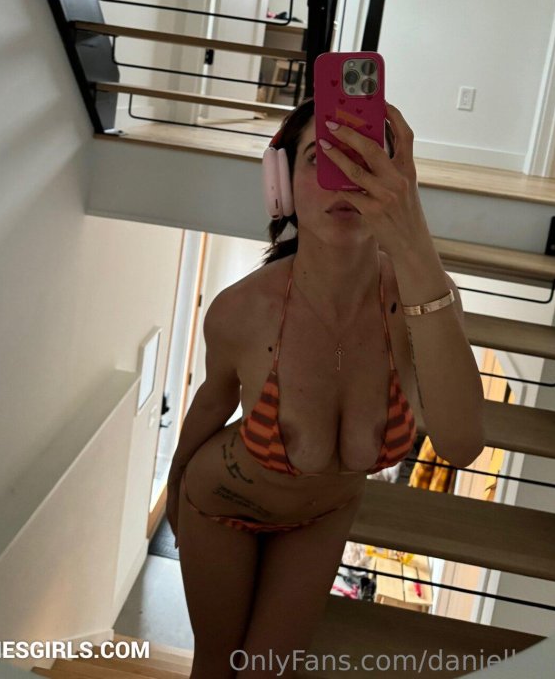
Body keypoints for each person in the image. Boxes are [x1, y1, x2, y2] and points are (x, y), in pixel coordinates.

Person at [165, 97, 485, 679]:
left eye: (367, 160)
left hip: (324, 516)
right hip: (220, 506)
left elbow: (461, 444)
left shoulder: (423, 300)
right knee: (216, 666)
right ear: (282, 186)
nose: (346, 180)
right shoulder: (242, 311)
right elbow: (213, 401)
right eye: (321, 158)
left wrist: (413, 236)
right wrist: (174, 486)